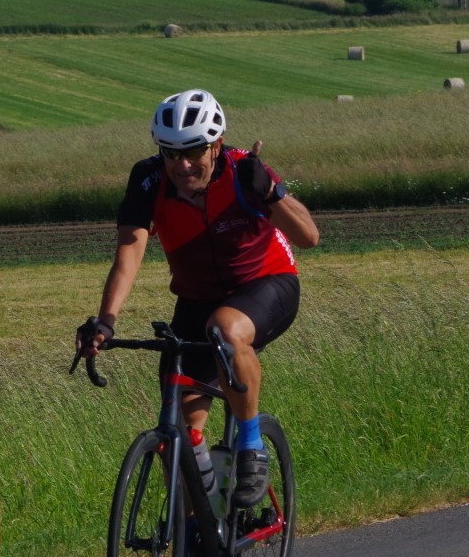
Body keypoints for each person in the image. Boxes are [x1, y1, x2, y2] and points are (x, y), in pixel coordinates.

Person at [81, 87, 319, 510]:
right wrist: (106, 320)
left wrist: (271, 193)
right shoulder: (148, 180)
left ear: (216, 145)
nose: (182, 165)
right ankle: (198, 526)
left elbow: (308, 236)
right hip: (196, 300)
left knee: (225, 330)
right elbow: (129, 253)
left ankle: (251, 447)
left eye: (193, 152)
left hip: (267, 283)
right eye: (171, 154)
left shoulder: (244, 169)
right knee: (179, 435)